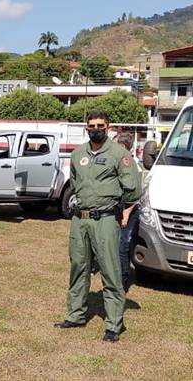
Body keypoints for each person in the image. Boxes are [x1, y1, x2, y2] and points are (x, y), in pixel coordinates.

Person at [54, 111, 141, 342]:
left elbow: (133, 189)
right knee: (78, 268)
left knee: (110, 271)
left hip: (105, 220)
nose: (95, 129)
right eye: (91, 125)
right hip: (79, 220)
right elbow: (74, 182)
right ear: (86, 128)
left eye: (100, 125)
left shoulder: (119, 154)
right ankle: (75, 315)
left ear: (108, 126)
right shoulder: (78, 154)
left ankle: (113, 325)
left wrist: (118, 207)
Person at [115, 132, 142, 293]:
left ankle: (123, 282)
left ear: (123, 146)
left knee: (122, 247)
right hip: (121, 209)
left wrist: (126, 213)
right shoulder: (123, 163)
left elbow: (136, 195)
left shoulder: (133, 165)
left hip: (130, 211)